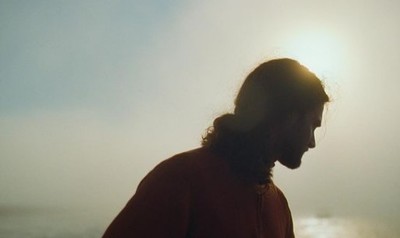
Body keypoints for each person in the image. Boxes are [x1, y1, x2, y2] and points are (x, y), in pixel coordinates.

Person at [103, 58, 329, 238]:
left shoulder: (278, 204)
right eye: (313, 125)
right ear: (288, 116)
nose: (312, 142)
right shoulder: (179, 180)